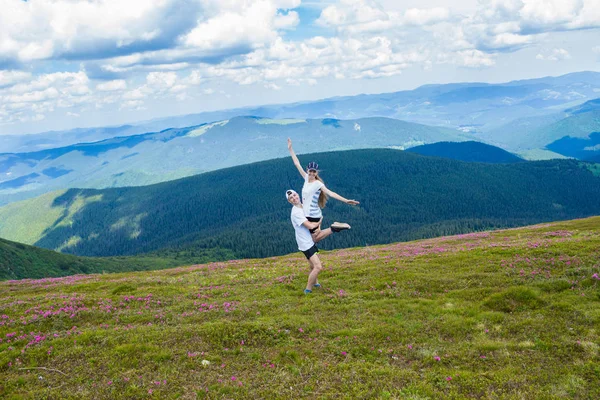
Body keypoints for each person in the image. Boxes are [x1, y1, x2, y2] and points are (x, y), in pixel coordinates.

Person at [287, 138, 360, 242]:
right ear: (307, 170)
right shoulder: (306, 178)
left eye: (314, 172)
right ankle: (335, 228)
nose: (311, 173)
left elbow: (331, 193)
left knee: (314, 239)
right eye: (310, 171)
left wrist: (346, 200)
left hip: (313, 215)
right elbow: (296, 163)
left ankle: (334, 228)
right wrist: (290, 149)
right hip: (310, 214)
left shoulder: (318, 184)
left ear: (316, 172)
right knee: (314, 237)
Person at [286, 189, 350, 294]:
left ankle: (315, 284)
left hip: (309, 239)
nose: (294, 198)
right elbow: (310, 225)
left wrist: (318, 222)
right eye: (291, 198)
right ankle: (308, 289)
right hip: (306, 244)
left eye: (294, 195)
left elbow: (313, 219)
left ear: (298, 195)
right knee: (318, 267)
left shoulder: (303, 206)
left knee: (312, 265)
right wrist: (319, 221)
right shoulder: (296, 212)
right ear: (289, 201)